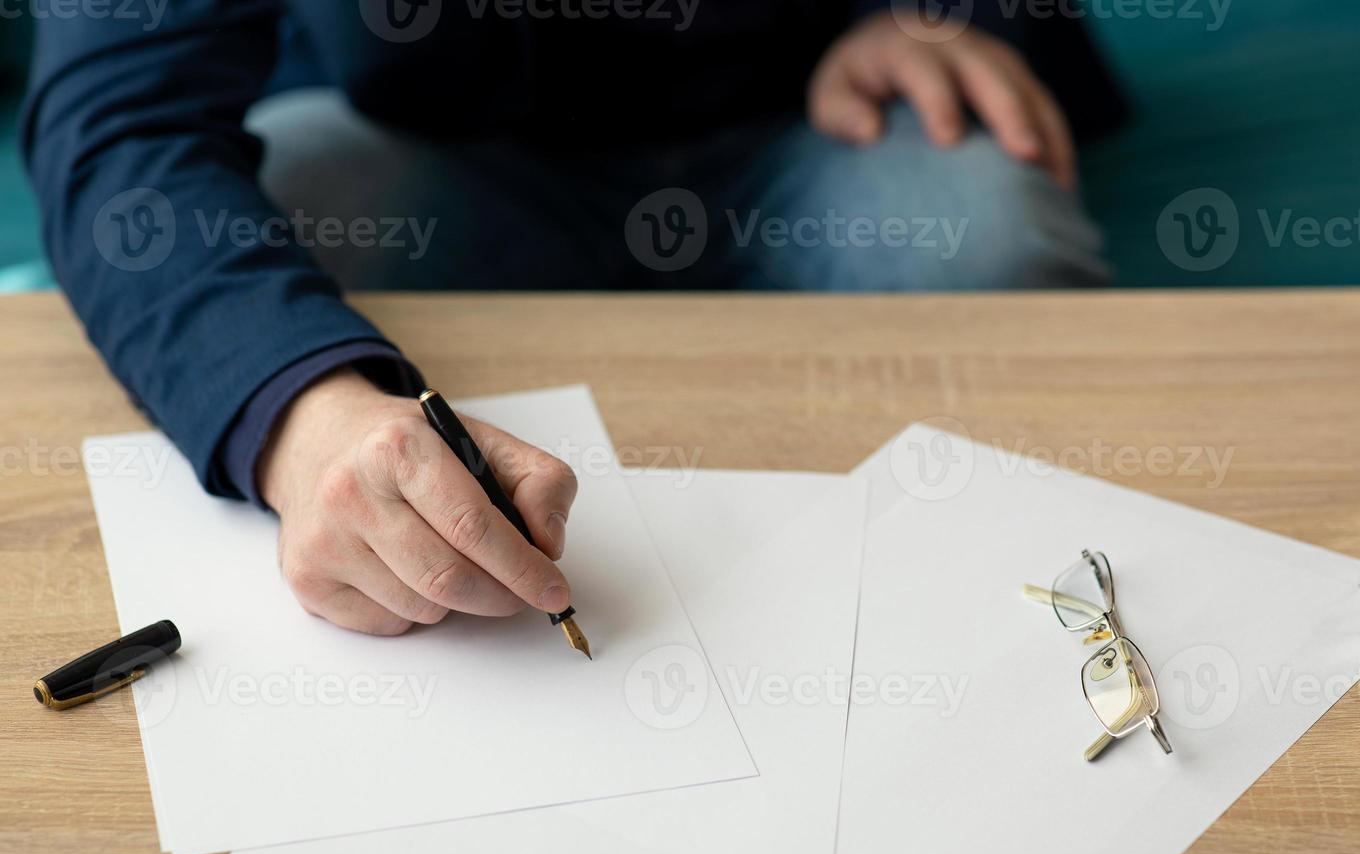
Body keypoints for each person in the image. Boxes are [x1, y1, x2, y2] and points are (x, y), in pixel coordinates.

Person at [22, 1, 1124, 636]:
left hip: (814, 118)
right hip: (438, 154)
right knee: (305, 200)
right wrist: (299, 416)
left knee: (988, 234)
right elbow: (120, 119)